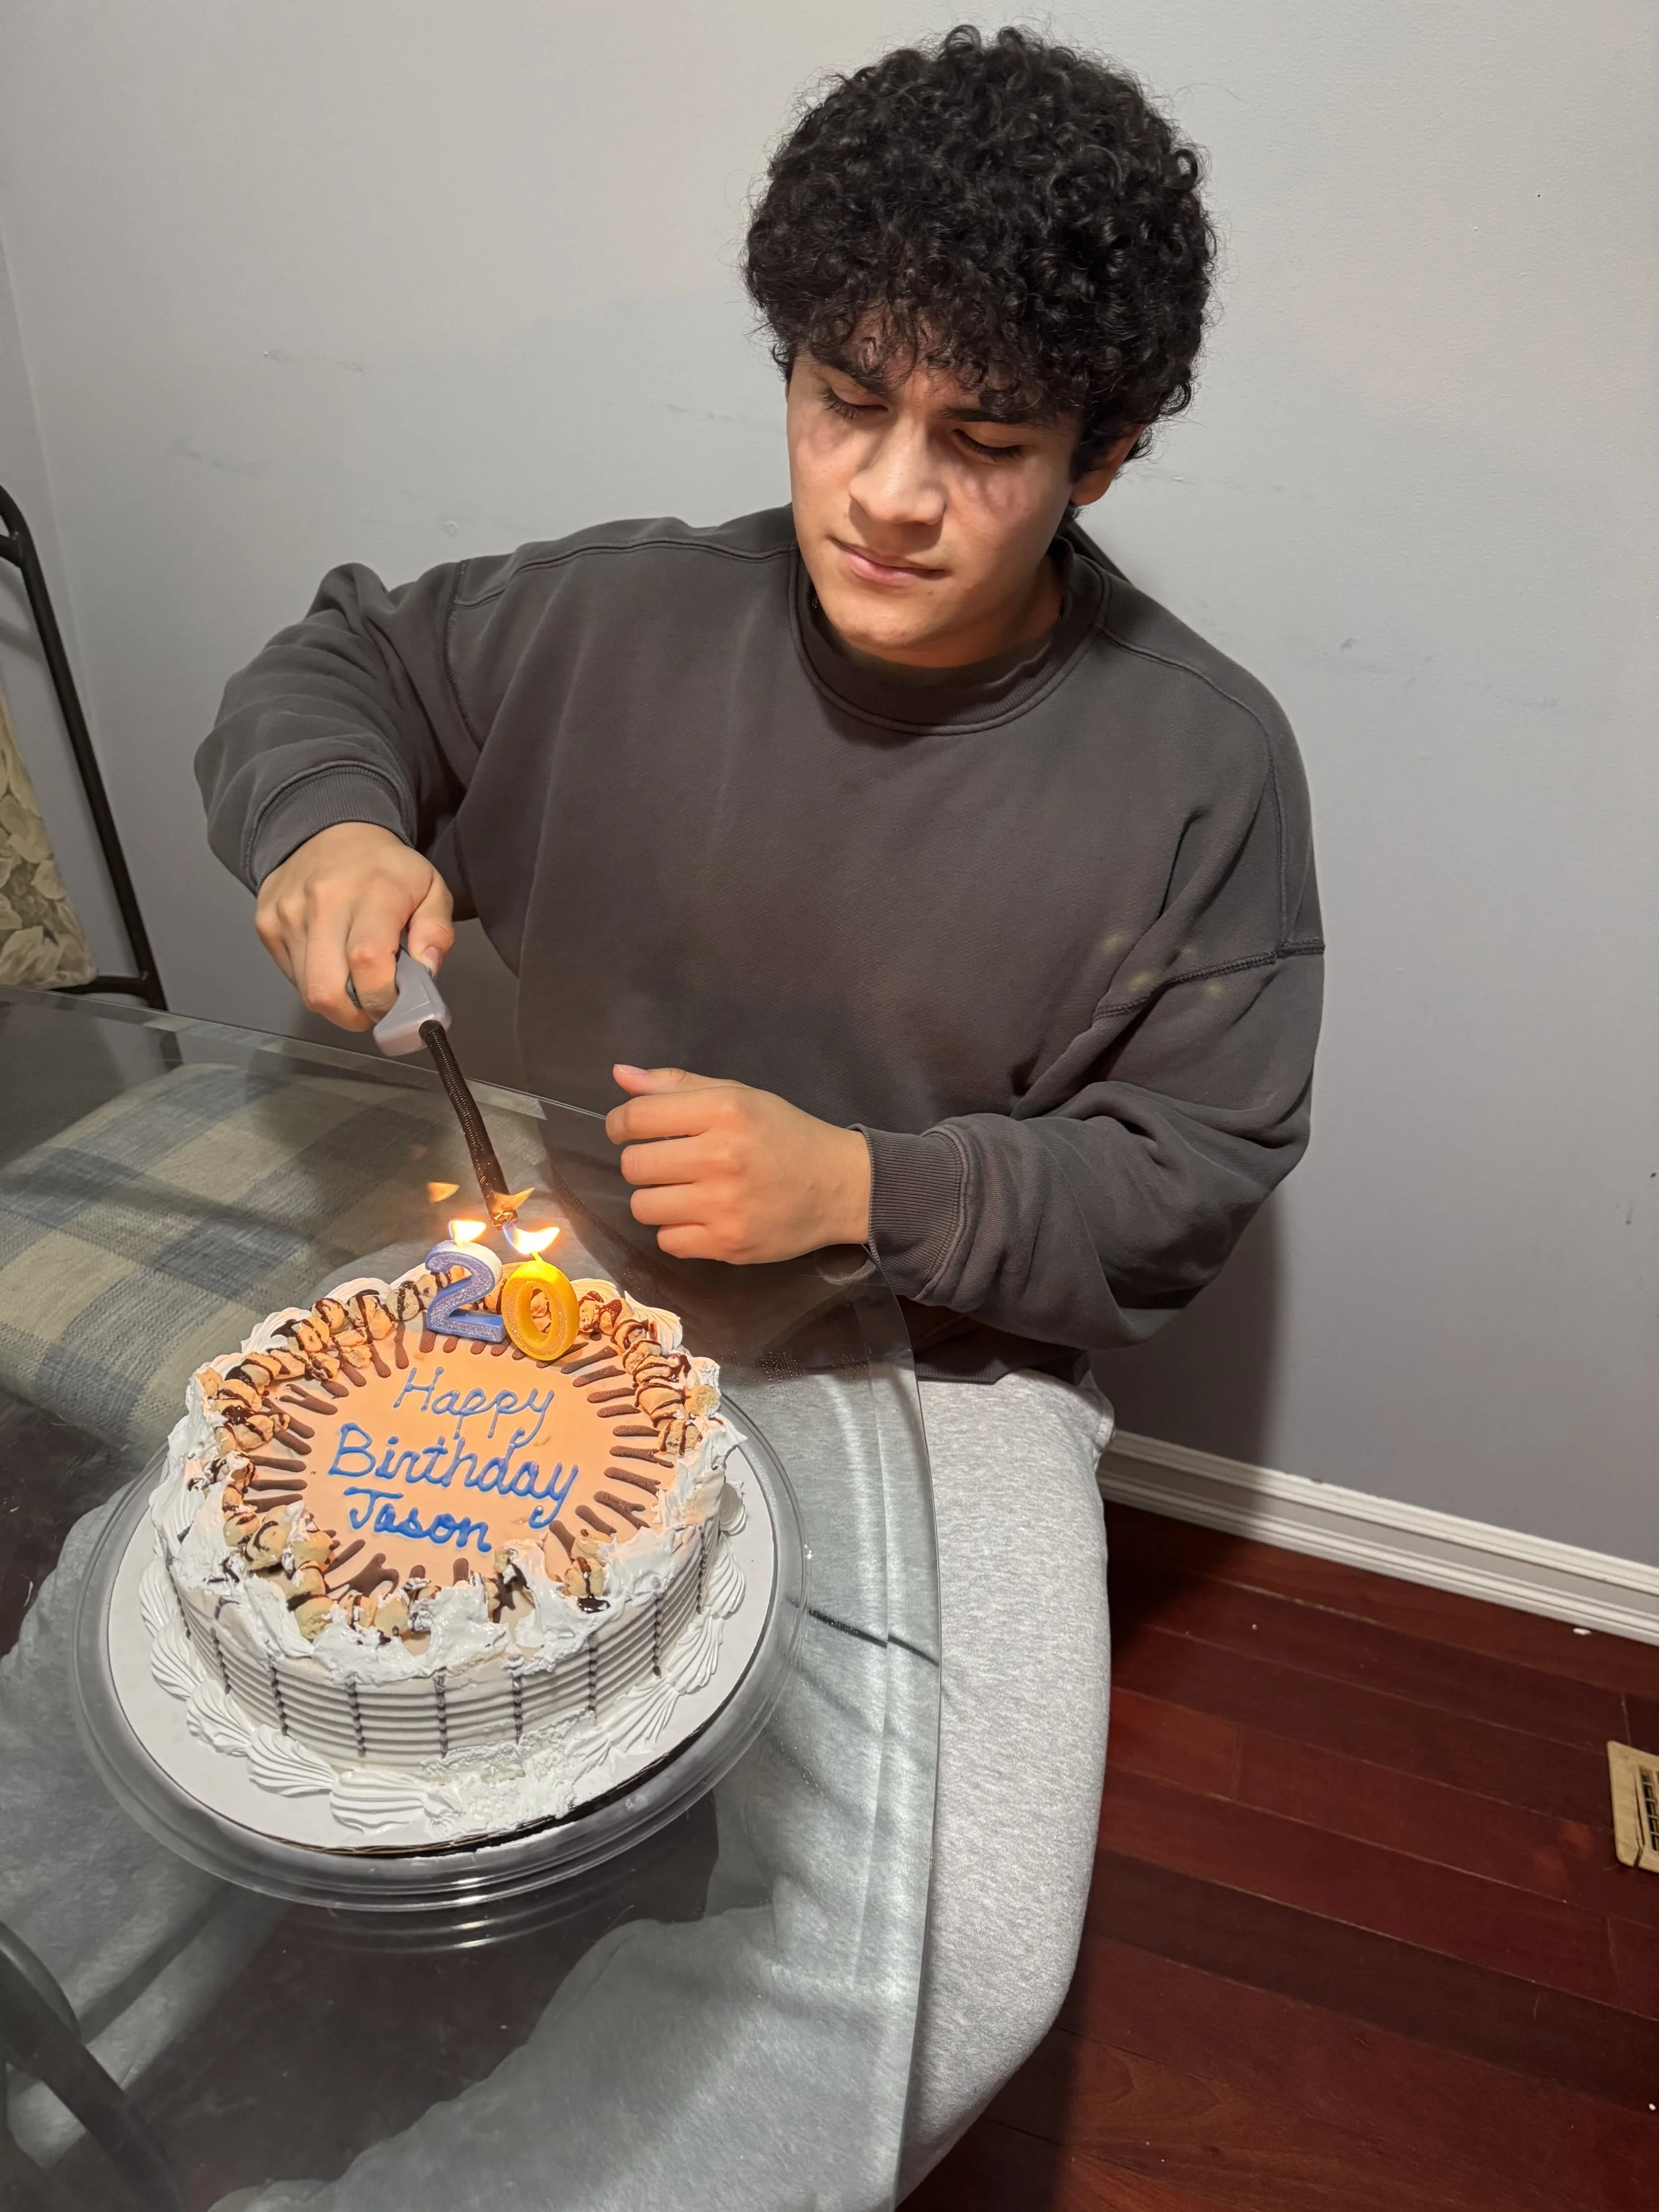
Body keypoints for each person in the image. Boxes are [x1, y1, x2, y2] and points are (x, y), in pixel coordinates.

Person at [197, 24, 1321, 2189]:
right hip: (558, 1273)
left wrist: (866, 1187)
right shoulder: (611, 613)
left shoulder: (1202, 762)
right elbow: (334, 666)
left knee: (960, 1941)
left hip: (935, 1357)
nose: (886, 490)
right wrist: (325, 824)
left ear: (1108, 452)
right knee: (163, 1659)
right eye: (840, 398)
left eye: (982, 438)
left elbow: (1182, 1183)